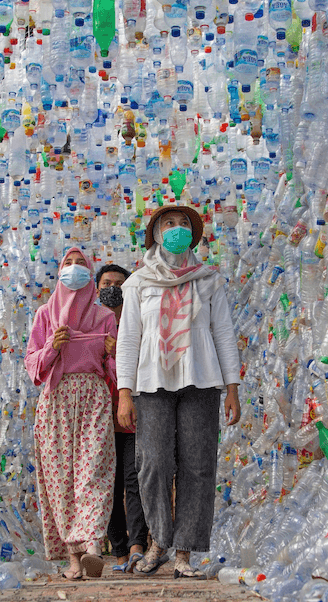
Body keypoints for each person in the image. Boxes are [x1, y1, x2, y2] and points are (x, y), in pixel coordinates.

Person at [116, 205, 242, 579]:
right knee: (153, 462)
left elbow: (223, 333)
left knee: (198, 465)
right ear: (155, 233)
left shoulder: (208, 280)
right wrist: (125, 392)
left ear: (193, 233)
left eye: (183, 223)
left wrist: (232, 386)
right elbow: (128, 340)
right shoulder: (139, 282)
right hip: (152, 382)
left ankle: (184, 552)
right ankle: (158, 541)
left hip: (201, 379)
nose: (176, 228)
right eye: (168, 223)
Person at [25, 248, 118, 579]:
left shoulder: (104, 318)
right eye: (68, 264)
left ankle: (93, 545)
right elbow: (33, 367)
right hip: (56, 401)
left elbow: (117, 373)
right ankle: (74, 559)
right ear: (59, 271)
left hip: (93, 397)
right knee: (61, 480)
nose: (74, 269)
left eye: (81, 264)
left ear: (90, 275)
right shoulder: (45, 316)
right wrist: (53, 346)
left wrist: (113, 352)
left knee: (94, 470)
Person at [96, 263, 150, 573]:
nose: (113, 287)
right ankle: (118, 551)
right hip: (99, 421)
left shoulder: (139, 321)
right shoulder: (89, 323)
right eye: (107, 282)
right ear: (97, 287)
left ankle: (137, 546)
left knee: (134, 480)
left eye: (119, 282)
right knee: (108, 486)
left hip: (133, 416)